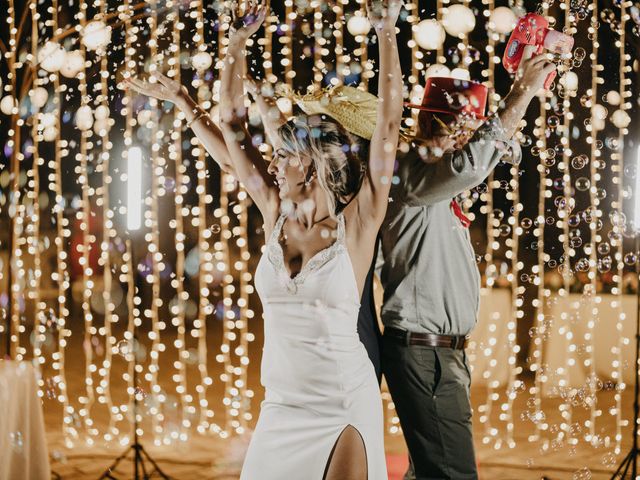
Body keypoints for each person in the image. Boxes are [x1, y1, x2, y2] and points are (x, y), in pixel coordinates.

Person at [132, 0, 403, 478]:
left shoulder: (357, 223)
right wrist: (234, 46)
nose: (271, 163)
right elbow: (232, 127)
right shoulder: (274, 213)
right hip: (280, 404)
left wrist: (385, 31)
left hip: (341, 401)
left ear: (314, 160)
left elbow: (388, 125)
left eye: (283, 154)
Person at [378, 46, 556, 479]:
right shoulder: (411, 174)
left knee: (430, 469)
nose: (471, 138)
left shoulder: (437, 184)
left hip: (438, 355)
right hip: (425, 354)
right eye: (466, 129)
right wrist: (522, 91)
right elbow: (473, 163)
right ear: (446, 128)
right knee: (452, 473)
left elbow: (491, 155)